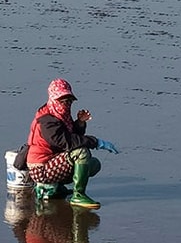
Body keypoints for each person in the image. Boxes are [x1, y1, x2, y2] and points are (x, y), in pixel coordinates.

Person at [22, 78, 118, 209]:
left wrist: (80, 123)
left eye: (69, 101)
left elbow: (71, 137)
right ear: (53, 100)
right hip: (40, 169)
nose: (66, 105)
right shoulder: (46, 120)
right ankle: (78, 195)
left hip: (52, 162)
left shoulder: (60, 116)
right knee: (82, 153)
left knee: (93, 164)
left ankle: (56, 188)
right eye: (62, 101)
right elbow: (66, 142)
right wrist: (96, 142)